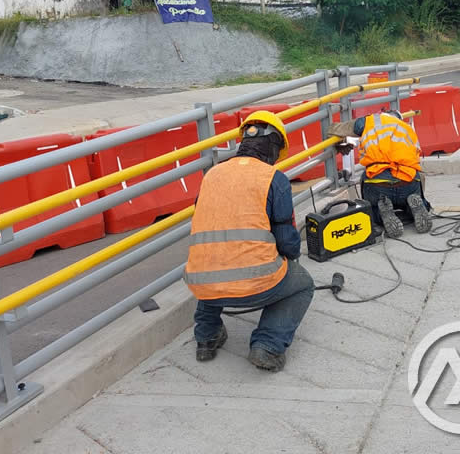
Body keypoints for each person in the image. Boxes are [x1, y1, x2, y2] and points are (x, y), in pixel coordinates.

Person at [184, 111, 314, 373]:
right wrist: (290, 257)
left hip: (200, 279)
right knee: (302, 285)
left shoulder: (212, 175)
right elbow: (287, 241)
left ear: (243, 142)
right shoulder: (272, 179)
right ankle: (268, 345)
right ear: (274, 148)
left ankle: (206, 338)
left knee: (216, 262)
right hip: (255, 281)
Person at [329, 110, 431, 238]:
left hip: (378, 182)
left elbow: (334, 129)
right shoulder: (406, 129)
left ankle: (381, 213)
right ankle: (415, 206)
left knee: (371, 209)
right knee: (418, 192)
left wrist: (339, 143)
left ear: (382, 113)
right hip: (408, 181)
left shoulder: (368, 121)